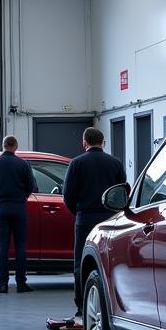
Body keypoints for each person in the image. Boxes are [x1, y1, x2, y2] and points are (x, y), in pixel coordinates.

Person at [63, 126, 127, 318]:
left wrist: (79, 212)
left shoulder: (76, 164)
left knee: (81, 263)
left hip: (85, 218)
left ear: (85, 142)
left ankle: (83, 305)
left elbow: (68, 196)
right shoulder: (115, 163)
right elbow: (123, 192)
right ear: (103, 142)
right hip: (110, 220)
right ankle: (112, 304)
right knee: (110, 263)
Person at [0, 135, 36, 294]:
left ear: (3, 145)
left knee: (3, 247)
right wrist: (22, 197)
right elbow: (30, 186)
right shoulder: (23, 164)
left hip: (2, 207)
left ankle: (3, 284)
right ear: (16, 146)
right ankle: (21, 283)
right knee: (20, 246)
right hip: (19, 207)